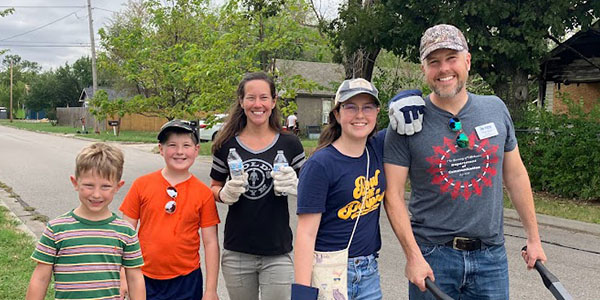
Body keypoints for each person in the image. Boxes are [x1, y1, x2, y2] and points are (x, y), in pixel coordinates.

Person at [383, 24, 547, 299]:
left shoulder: (495, 108)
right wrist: (413, 256)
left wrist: (534, 238)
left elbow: (516, 175)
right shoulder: (407, 121)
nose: (443, 69)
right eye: (433, 62)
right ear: (424, 69)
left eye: (451, 58)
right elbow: (394, 195)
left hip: (490, 257)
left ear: (467, 61)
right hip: (433, 257)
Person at [210, 72, 305, 300]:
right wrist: (223, 194)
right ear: (241, 102)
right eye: (250, 98)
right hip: (237, 252)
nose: (257, 104)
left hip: (278, 251)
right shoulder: (225, 144)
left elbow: (312, 190)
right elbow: (213, 186)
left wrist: (298, 185)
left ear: (273, 102)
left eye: (264, 97)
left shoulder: (290, 144)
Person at [292, 78, 386, 300]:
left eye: (367, 107)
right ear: (337, 114)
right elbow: (306, 234)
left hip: (369, 272)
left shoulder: (377, 148)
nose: (360, 115)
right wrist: (302, 293)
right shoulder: (320, 165)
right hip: (329, 271)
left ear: (377, 112)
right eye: (351, 107)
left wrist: (406, 98)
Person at [26, 142, 145, 300]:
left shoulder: (126, 232)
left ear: (118, 187)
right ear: (75, 183)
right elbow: (40, 278)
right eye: (89, 185)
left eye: (105, 186)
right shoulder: (56, 229)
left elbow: (135, 278)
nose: (96, 194)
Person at [120, 119, 221, 300]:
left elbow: (211, 243)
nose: (180, 152)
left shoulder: (203, 193)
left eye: (186, 145)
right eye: (172, 145)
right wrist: (123, 276)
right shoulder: (141, 185)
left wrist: (211, 290)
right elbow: (125, 234)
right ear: (161, 149)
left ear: (196, 150)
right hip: (143, 276)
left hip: (186, 280)